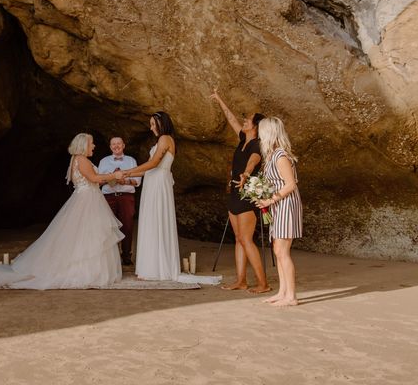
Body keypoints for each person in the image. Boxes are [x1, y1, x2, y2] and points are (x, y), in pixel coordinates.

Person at [0, 133, 125, 289]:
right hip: (87, 201)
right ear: (84, 145)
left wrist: (112, 178)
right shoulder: (81, 159)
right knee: (88, 235)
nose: (94, 146)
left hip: (87, 198)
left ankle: (91, 270)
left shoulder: (76, 160)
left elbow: (94, 179)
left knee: (84, 235)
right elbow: (94, 178)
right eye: (91, 143)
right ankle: (87, 272)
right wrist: (113, 174)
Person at [123, 112, 219, 285]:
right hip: (153, 181)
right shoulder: (162, 140)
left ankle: (157, 268)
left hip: (159, 183)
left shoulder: (165, 139)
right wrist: (129, 175)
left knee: (157, 220)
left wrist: (128, 171)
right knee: (151, 221)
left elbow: (153, 164)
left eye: (153, 124)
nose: (151, 127)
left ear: (161, 123)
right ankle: (150, 267)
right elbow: (147, 169)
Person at [210, 89, 270, 293]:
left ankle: (264, 284)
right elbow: (232, 120)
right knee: (238, 239)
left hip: (247, 195)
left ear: (256, 127)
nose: (245, 121)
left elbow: (254, 162)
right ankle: (241, 281)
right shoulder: (242, 140)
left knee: (246, 239)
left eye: (249, 120)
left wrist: (245, 174)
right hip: (234, 193)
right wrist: (219, 99)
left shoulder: (257, 145)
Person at [256, 117, 303, 307]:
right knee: (277, 249)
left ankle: (291, 296)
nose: (259, 134)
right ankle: (282, 292)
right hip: (278, 204)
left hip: (286, 204)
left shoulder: (280, 155)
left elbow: (291, 184)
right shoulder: (271, 155)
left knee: (283, 251)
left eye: (261, 131)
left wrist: (270, 199)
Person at [98, 137, 141, 266]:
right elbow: (99, 181)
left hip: (126, 197)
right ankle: (111, 258)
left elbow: (137, 181)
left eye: (119, 143)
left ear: (123, 145)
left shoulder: (131, 161)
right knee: (108, 227)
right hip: (108, 197)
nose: (116, 146)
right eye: (113, 144)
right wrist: (112, 178)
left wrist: (125, 181)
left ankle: (126, 256)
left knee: (127, 226)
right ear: (110, 147)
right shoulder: (104, 161)